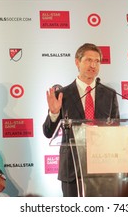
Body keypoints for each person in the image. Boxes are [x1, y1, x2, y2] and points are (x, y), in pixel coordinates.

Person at [43, 43, 119, 197]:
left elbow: (116, 130)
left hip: (103, 167)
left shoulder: (109, 94)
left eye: (97, 61)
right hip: (72, 169)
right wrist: (53, 113)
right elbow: (48, 132)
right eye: (88, 60)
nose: (93, 65)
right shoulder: (62, 94)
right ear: (77, 62)